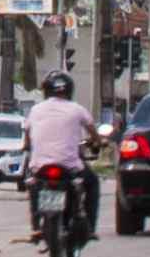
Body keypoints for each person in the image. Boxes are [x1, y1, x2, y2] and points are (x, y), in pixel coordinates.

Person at [23, 71, 100, 240]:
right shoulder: (77, 109)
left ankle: (36, 225)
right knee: (93, 183)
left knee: (34, 185)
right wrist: (97, 144)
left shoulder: (35, 110)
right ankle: (91, 227)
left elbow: (27, 137)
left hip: (40, 166)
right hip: (69, 166)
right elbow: (93, 133)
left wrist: (28, 146)